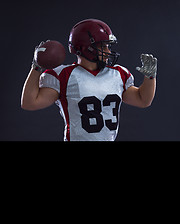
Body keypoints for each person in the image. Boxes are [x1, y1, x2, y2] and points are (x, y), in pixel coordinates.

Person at [21, 18, 157, 141]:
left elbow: (142, 100)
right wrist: (37, 67)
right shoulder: (63, 75)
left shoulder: (118, 74)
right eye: (103, 46)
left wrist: (150, 77)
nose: (108, 51)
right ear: (86, 47)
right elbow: (29, 103)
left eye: (108, 46)